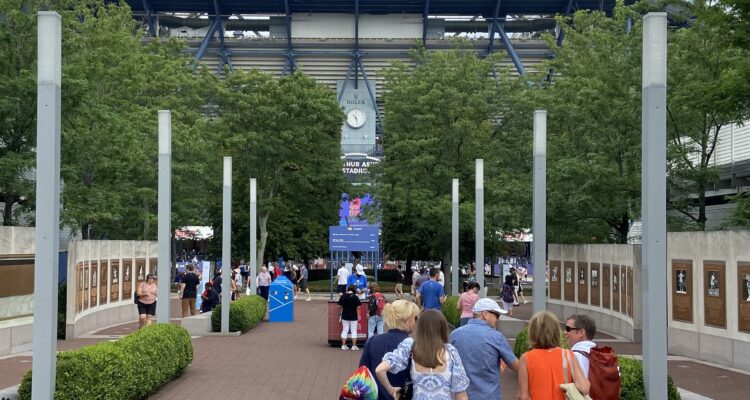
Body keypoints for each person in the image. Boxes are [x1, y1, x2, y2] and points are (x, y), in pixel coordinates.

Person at [375, 310, 470, 400]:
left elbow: (380, 370)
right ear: (443, 328)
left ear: (420, 328)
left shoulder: (410, 346)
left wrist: (391, 390)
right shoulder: (451, 352)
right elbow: (461, 395)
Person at [450, 298, 516, 400]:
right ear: (485, 314)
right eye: (496, 315)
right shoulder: (496, 337)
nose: (498, 320)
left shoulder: (455, 334)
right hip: (490, 395)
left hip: (463, 395)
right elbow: (516, 365)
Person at [517, 311, 590, 400]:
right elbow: (584, 388)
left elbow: (523, 396)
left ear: (533, 332)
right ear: (556, 332)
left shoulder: (526, 358)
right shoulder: (568, 355)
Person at [359, 300, 420, 400]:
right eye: (415, 318)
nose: (415, 322)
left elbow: (362, 373)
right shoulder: (412, 345)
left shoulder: (372, 341)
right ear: (407, 319)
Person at [338, 284, 362, 350]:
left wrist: (344, 307)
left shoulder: (343, 296)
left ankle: (343, 345)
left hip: (345, 315)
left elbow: (339, 306)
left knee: (345, 330)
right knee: (354, 330)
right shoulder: (355, 297)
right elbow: (358, 307)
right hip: (353, 316)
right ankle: (354, 346)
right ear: (354, 290)